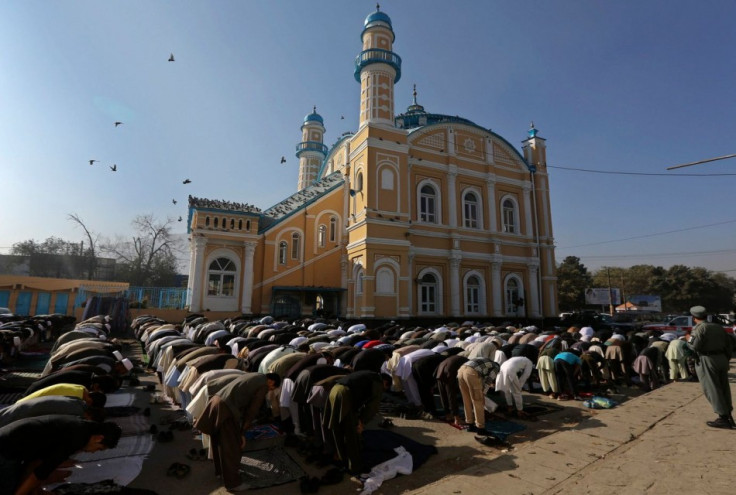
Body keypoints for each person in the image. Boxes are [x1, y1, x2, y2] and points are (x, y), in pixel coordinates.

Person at [194, 372, 280, 492]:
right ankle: (233, 483)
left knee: (219, 441)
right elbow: (253, 409)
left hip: (216, 401)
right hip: (226, 409)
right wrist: (243, 431)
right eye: (271, 388)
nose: (269, 390)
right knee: (231, 447)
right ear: (270, 382)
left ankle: (220, 472)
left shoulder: (256, 375)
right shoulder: (263, 385)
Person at [0, 414, 121, 495]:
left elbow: (37, 463)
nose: (94, 452)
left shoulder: (83, 427)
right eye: (99, 449)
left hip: (9, 439)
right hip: (7, 449)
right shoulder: (76, 439)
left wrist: (36, 489)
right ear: (98, 438)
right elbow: (40, 473)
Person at [322, 370, 384, 474]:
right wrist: (362, 422)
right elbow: (373, 407)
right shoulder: (378, 382)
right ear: (385, 383)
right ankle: (355, 466)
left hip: (334, 390)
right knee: (350, 432)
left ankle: (340, 457)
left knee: (337, 428)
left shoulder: (366, 375)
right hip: (344, 395)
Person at [688, 305, 734, 429]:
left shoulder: (699, 329)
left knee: (712, 388)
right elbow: (729, 346)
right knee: (724, 387)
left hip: (707, 359)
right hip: (722, 358)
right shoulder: (718, 327)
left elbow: (694, 347)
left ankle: (723, 417)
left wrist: (688, 340)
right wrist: (725, 358)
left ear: (694, 318)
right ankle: (728, 414)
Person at [457, 357, 500, 433]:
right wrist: (483, 394)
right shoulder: (496, 367)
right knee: (478, 401)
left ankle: (470, 424)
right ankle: (480, 428)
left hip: (461, 370)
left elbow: (482, 379)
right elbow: (488, 381)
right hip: (471, 372)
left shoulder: (486, 361)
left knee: (466, 399)